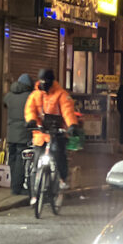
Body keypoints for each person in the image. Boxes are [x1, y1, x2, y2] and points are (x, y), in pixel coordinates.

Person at [24, 68, 79, 200]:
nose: (43, 83)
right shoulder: (35, 95)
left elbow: (67, 111)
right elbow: (30, 109)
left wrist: (71, 125)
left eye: (46, 81)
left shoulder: (61, 94)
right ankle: (34, 193)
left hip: (56, 133)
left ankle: (61, 178)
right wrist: (31, 120)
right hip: (40, 134)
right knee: (36, 163)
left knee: (58, 154)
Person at [3, 72, 33, 195]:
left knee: (12, 159)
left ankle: (13, 185)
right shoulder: (30, 96)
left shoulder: (9, 95)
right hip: (23, 132)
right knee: (21, 161)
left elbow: (5, 104)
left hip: (11, 132)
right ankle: (17, 187)